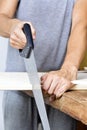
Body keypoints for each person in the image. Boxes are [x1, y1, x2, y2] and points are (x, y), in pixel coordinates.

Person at [0, 0, 87, 130]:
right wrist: (13, 27)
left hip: (59, 88)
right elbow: (2, 16)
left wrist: (69, 69)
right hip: (19, 84)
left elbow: (80, 25)